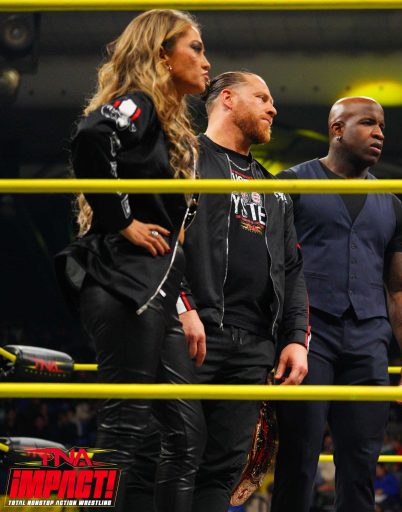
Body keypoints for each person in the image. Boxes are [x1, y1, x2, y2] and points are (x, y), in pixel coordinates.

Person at [54, 10, 210, 512]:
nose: (205, 61)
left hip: (155, 290)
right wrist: (122, 220)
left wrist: (183, 304)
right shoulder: (137, 102)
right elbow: (91, 136)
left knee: (186, 434)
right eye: (195, 48)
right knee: (126, 427)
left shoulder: (166, 122)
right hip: (123, 281)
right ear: (162, 55)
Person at [271, 96, 402, 512]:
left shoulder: (391, 204)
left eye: (382, 126)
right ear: (337, 129)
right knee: (298, 457)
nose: (379, 133)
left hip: (368, 342)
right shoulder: (291, 185)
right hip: (307, 337)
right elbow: (270, 267)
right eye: (368, 123)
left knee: (362, 462)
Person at [173, 71, 309, 512]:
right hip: (193, 333)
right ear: (228, 99)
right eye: (263, 98)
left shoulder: (274, 189)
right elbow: (161, 240)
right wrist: (182, 306)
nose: (273, 109)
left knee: (223, 468)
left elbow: (292, 270)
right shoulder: (186, 159)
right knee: (171, 453)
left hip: (253, 345)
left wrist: (294, 339)